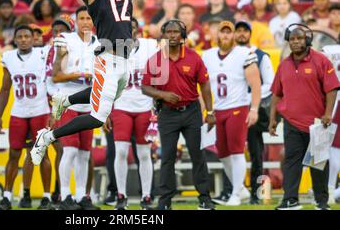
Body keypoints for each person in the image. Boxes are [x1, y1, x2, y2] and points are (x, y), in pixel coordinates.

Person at [30, 0, 146, 168]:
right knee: (97, 116)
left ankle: (66, 100)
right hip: (108, 56)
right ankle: (47, 136)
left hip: (124, 59)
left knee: (107, 95)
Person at [141, 20, 215, 210]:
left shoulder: (194, 57)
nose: (173, 35)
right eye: (169, 32)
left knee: (198, 155)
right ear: (163, 35)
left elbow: (205, 84)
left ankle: (205, 198)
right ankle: (165, 201)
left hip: (192, 111)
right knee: (167, 157)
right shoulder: (156, 59)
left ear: (183, 35)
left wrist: (210, 111)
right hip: (167, 113)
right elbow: (145, 87)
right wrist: (163, 94)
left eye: (176, 32)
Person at [269, 24, 340, 210]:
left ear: (307, 40)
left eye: (299, 38)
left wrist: (327, 113)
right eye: (292, 39)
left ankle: (321, 202)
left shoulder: (321, 60)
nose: (295, 42)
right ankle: (290, 200)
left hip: (317, 123)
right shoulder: (284, 64)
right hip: (291, 122)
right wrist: (272, 119)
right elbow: (276, 93)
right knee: (292, 162)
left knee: (319, 164)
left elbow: (332, 89)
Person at [214, 21, 275, 205]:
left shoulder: (260, 55)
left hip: (250, 109)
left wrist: (249, 100)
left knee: (255, 152)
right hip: (230, 108)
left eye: (244, 31)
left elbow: (269, 84)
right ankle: (230, 191)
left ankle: (257, 193)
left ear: (250, 34)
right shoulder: (225, 56)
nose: (241, 34)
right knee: (229, 150)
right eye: (238, 31)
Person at [202, 21, 261, 206]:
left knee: (236, 151)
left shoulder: (244, 54)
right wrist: (206, 109)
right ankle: (240, 188)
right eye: (223, 32)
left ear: (234, 35)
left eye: (229, 32)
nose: (226, 36)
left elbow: (256, 83)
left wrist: (254, 109)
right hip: (218, 109)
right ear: (217, 35)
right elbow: (203, 85)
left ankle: (236, 193)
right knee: (223, 153)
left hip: (238, 107)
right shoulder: (208, 55)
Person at [0, 25, 53, 210]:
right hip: (18, 111)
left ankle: (47, 197)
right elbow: (5, 88)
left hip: (40, 110)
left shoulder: (43, 53)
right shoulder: (8, 57)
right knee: (14, 154)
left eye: (27, 36)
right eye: (20, 36)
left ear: (33, 38)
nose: (24, 39)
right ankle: (7, 196)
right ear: (15, 39)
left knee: (41, 153)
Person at [49, 7, 101, 210]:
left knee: (84, 153)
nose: (86, 22)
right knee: (69, 151)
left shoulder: (100, 43)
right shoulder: (66, 40)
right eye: (82, 18)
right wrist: (80, 74)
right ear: (76, 21)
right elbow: (56, 75)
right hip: (69, 100)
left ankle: (81, 196)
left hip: (89, 102)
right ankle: (65, 196)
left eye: (89, 18)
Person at [109, 17, 158, 210]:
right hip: (122, 106)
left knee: (144, 153)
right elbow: (108, 83)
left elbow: (158, 77)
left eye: (133, 28)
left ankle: (146, 196)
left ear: (138, 30)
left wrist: (156, 106)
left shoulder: (150, 46)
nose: (130, 31)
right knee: (120, 151)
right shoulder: (113, 49)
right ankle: (121, 195)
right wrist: (105, 111)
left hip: (145, 106)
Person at [321, 44, 340, 204]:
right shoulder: (329, 51)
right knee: (328, 148)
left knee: (322, 147)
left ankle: (327, 188)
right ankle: (328, 188)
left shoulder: (328, 50)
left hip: (327, 101)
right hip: (333, 102)